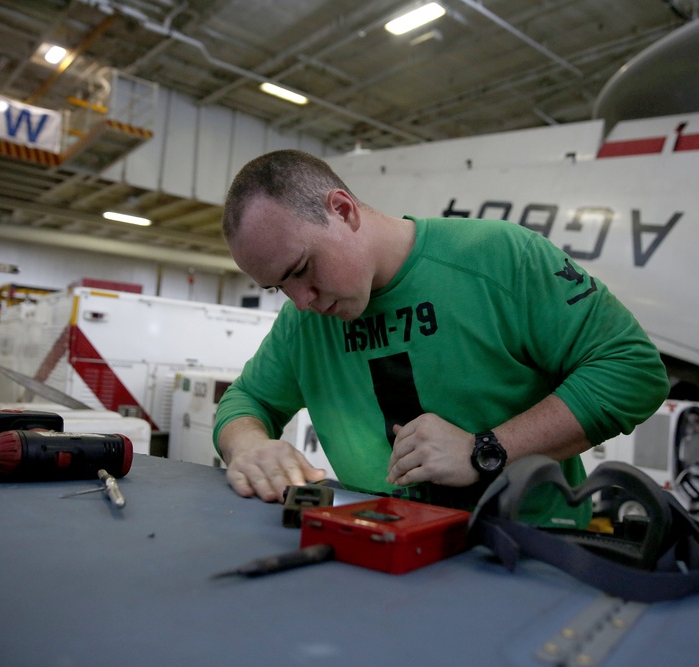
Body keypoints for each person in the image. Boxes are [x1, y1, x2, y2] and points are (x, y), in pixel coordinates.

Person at [213, 149, 668, 528]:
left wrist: (485, 450)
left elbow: (631, 370)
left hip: (526, 550)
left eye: (301, 269)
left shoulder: (499, 258)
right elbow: (247, 400)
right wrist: (248, 445)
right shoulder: (302, 323)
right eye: (279, 287)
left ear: (343, 210)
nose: (301, 300)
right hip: (382, 546)